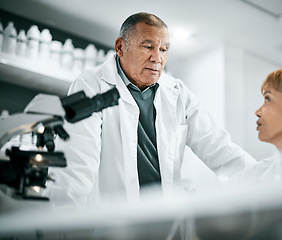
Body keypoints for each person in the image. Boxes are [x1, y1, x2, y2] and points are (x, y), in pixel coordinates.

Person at [45, 12, 256, 207]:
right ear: (120, 47)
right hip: (114, 224)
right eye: (148, 47)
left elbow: (219, 148)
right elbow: (75, 166)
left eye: (164, 49)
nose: (157, 58)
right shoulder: (91, 85)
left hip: (167, 222)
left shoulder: (177, 92)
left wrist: (265, 179)